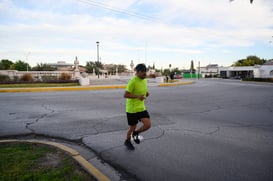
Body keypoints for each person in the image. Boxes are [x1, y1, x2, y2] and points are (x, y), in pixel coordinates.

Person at [124, 64, 151, 150]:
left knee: (147, 125)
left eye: (145, 72)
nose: (145, 74)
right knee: (132, 127)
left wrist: (146, 93)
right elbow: (125, 95)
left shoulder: (144, 80)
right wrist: (137, 96)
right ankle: (127, 141)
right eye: (143, 73)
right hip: (132, 109)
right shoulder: (132, 81)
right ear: (138, 72)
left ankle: (136, 133)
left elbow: (143, 90)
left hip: (141, 107)